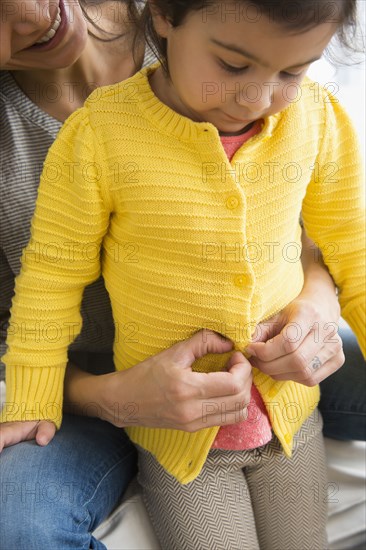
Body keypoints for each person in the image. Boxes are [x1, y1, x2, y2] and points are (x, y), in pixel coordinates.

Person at [0, 1, 363, 549]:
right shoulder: (101, 133)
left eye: (292, 72)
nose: (258, 98)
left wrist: (320, 299)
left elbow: (349, 245)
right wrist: (34, 397)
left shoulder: (312, 112)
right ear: (165, 18)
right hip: (177, 443)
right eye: (234, 68)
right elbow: (50, 277)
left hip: (290, 411)